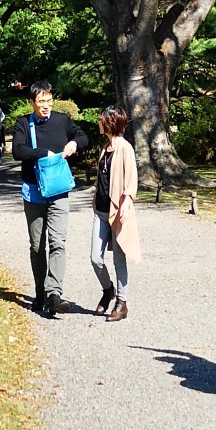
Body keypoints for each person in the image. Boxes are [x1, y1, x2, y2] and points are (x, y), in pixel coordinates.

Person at [12, 80, 87, 318]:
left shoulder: (62, 121)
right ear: (32, 102)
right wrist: (42, 153)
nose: (46, 105)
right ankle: (40, 292)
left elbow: (83, 136)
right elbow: (17, 151)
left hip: (58, 191)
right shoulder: (23, 123)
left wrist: (74, 143)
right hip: (33, 192)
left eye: (49, 100)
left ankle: (54, 292)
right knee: (37, 246)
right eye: (41, 101)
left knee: (58, 242)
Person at [90, 106, 140, 321]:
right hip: (100, 210)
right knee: (95, 258)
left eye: (102, 120)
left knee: (119, 259)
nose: (99, 122)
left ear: (110, 122)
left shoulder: (125, 148)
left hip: (116, 211)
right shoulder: (105, 147)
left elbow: (131, 177)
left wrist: (128, 200)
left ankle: (122, 302)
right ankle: (107, 289)